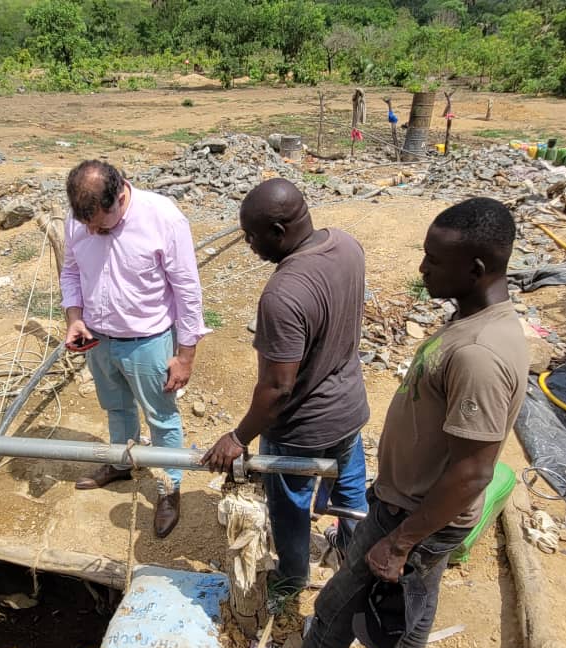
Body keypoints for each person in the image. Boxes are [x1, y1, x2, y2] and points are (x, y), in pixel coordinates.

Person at [291, 197, 528, 648]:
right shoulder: (474, 320)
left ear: (476, 268)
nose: (421, 269)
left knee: (350, 602)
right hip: (408, 502)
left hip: (415, 515)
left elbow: (472, 473)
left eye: (434, 260)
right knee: (411, 598)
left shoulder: (479, 355)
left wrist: (401, 542)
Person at [203, 178, 369, 593]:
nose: (248, 244)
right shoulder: (346, 245)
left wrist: (238, 437)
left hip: (302, 428)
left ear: (278, 232)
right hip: (349, 408)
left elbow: (278, 389)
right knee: (350, 493)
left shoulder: (284, 293)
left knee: (290, 507)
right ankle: (359, 564)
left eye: (252, 236)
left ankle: (291, 581)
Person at [60, 159, 208, 538]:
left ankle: (168, 486)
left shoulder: (163, 218)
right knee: (116, 407)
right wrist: (74, 318)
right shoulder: (79, 220)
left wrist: (185, 356)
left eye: (98, 223)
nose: (90, 230)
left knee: (161, 417)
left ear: (120, 195)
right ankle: (121, 462)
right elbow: (72, 271)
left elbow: (187, 290)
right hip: (99, 339)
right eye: (86, 223)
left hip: (149, 341)